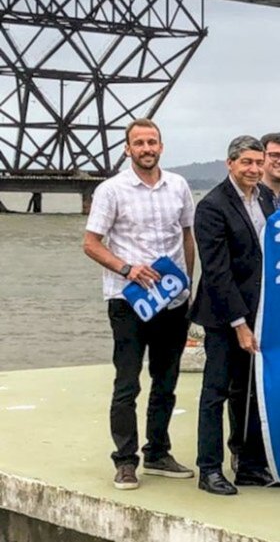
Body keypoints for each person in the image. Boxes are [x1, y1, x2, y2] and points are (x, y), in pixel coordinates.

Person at [83, 118, 196, 491]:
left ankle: (158, 452)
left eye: (152, 142)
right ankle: (126, 460)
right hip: (127, 300)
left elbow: (187, 236)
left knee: (166, 381)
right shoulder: (111, 190)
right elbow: (91, 243)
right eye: (139, 143)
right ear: (127, 149)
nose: (146, 148)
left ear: (161, 146)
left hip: (172, 300)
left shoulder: (178, 185)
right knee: (127, 383)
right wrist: (127, 268)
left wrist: (187, 285)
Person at [191, 136, 277, 495]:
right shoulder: (212, 207)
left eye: (259, 163)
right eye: (247, 163)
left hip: (260, 310)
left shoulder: (267, 200)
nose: (254, 169)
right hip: (224, 316)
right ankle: (208, 469)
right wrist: (239, 324)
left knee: (251, 393)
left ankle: (248, 464)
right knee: (217, 390)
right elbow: (216, 271)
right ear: (230, 164)